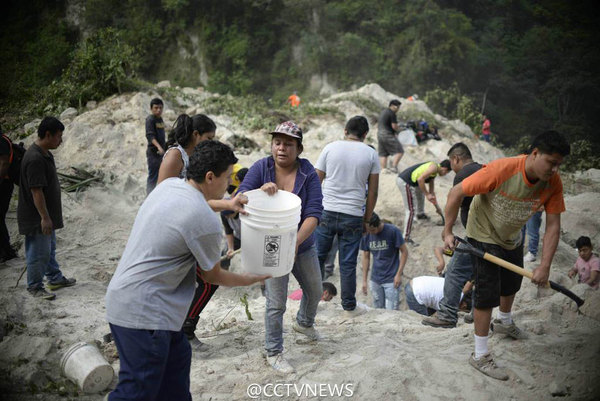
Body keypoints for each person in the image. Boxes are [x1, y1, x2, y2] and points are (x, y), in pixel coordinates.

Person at [105, 141, 268, 401]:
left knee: (176, 376)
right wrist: (252, 277)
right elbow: (213, 276)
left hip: (128, 301)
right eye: (227, 178)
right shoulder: (205, 222)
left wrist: (227, 204)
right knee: (137, 392)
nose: (228, 187)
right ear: (210, 176)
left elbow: (192, 207)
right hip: (146, 316)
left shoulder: (168, 186)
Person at [443, 130, 570, 380]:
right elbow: (457, 192)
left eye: (559, 165)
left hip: (511, 234)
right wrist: (447, 231)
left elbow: (553, 225)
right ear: (535, 154)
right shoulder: (503, 169)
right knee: (487, 292)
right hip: (483, 232)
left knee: (512, 283)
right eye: (551, 162)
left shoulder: (553, 182)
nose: (554, 169)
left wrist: (544, 265)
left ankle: (504, 322)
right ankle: (480, 355)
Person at [238, 120, 323, 373]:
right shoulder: (261, 168)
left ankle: (304, 323)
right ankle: (274, 351)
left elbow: (314, 213)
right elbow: (240, 197)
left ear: (299, 148)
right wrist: (259, 192)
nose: (281, 148)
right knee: (276, 303)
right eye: (277, 143)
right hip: (270, 245)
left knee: (316, 290)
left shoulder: (308, 173)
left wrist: (294, 242)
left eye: (288, 144)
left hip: (302, 244)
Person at [315, 116, 380, 316]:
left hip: (327, 210)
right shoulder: (370, 154)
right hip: (353, 215)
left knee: (317, 257)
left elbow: (316, 181)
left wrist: (315, 210)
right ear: (365, 135)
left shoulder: (330, 147)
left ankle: (310, 298)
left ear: (345, 130)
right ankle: (349, 305)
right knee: (348, 263)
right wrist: (367, 219)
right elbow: (373, 192)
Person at [422, 143, 482, 328]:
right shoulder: (481, 169)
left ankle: (447, 314)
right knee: (480, 274)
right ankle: (476, 312)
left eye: (451, 163)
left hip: (477, 235)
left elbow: (453, 200)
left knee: (454, 272)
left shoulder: (464, 173)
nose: (452, 168)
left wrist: (447, 231)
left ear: (456, 158)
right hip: (487, 234)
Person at [17, 117, 76, 300]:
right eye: (59, 136)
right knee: (38, 252)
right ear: (48, 135)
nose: (61, 140)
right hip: (37, 217)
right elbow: (36, 192)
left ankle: (55, 278)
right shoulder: (35, 158)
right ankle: (34, 286)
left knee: (48, 249)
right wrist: (44, 217)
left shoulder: (44, 153)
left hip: (44, 215)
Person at [360, 213, 408, 310]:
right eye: (368, 230)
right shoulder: (367, 235)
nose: (371, 232)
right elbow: (366, 257)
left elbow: (404, 252)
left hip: (391, 279)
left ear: (378, 224)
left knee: (392, 312)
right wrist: (364, 280)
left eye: (372, 230)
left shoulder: (392, 231)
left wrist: (399, 274)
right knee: (377, 311)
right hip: (375, 279)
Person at [397, 159, 452, 244]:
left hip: (411, 182)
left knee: (420, 193)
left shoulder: (433, 174)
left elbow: (432, 193)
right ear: (445, 169)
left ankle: (420, 214)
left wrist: (437, 207)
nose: (445, 175)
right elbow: (420, 179)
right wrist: (427, 194)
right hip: (405, 182)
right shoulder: (433, 167)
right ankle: (406, 238)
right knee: (411, 210)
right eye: (447, 173)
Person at [157, 113, 216, 184]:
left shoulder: (196, 155)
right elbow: (162, 188)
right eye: (209, 138)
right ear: (196, 134)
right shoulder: (175, 155)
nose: (210, 143)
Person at [405, 276, 472, 316]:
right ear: (464, 305)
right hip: (415, 292)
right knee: (421, 322)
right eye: (464, 311)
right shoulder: (452, 300)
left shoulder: (456, 288)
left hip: (416, 282)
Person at [0, 126, 19, 262]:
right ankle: (6, 250)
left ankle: (7, 252)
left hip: (4, 184)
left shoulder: (1, 141)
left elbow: (4, 163)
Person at [145, 98, 166, 194]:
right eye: (156, 108)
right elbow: (150, 136)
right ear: (151, 108)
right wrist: (159, 147)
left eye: (160, 108)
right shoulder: (150, 119)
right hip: (154, 152)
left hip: (161, 152)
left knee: (162, 175)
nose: (158, 110)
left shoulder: (160, 119)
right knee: (153, 176)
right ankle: (148, 196)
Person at [377, 99, 403, 173]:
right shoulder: (392, 113)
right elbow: (394, 126)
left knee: (383, 153)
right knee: (400, 150)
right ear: (391, 106)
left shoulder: (383, 112)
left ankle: (383, 169)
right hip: (387, 134)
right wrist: (399, 130)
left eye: (398, 107)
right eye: (396, 107)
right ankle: (394, 167)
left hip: (379, 134)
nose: (398, 109)